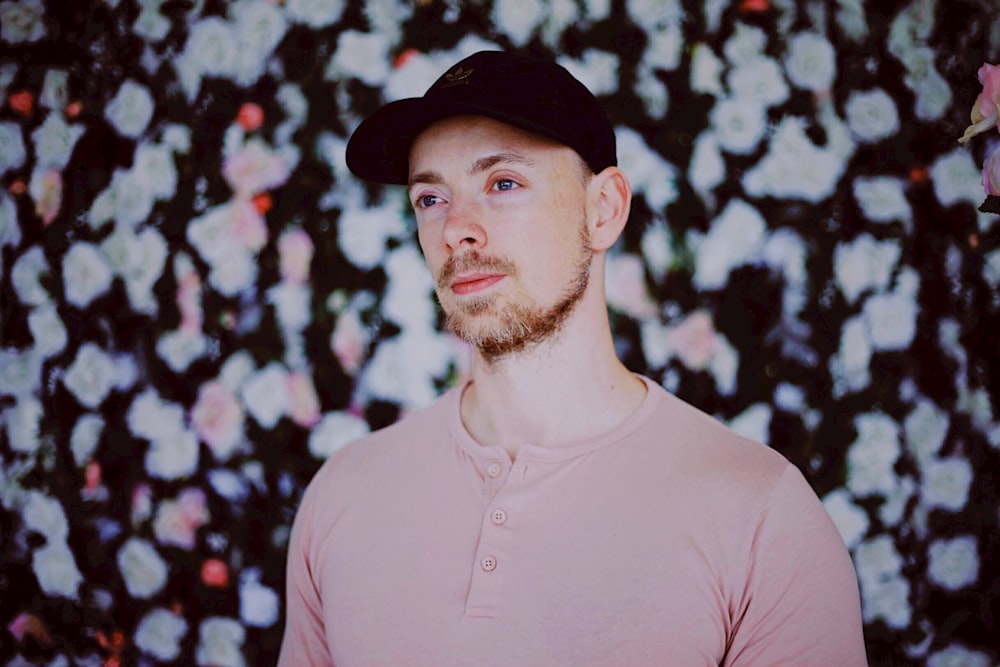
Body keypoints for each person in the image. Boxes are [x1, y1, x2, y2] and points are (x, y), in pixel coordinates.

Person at [279, 50, 867, 666]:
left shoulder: (761, 515)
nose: (458, 229)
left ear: (604, 209)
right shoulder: (343, 495)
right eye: (431, 199)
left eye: (503, 183)